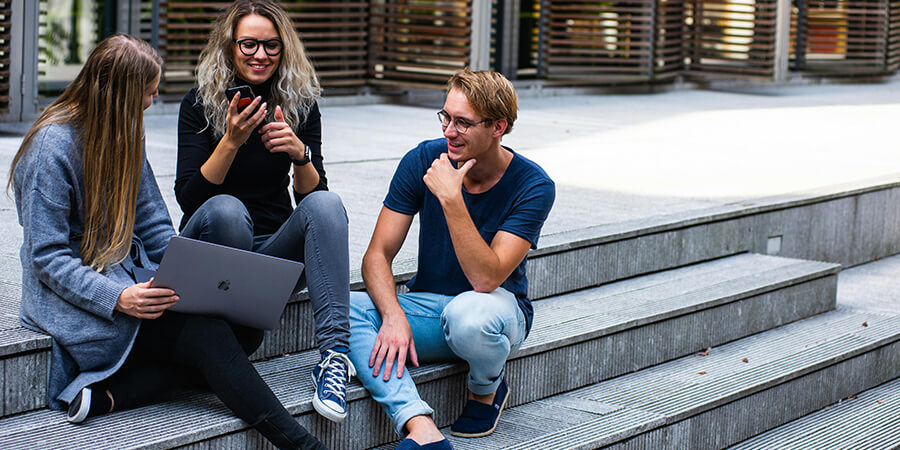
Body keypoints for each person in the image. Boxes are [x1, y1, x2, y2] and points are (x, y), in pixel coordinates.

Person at [9, 34, 325, 449]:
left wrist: (186, 276)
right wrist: (118, 297)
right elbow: (47, 258)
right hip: (77, 299)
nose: (152, 102)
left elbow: (155, 223)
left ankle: (115, 394)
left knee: (244, 331)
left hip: (130, 279)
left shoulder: (124, 132)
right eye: (148, 93)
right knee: (209, 336)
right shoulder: (51, 148)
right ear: (119, 94)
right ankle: (303, 445)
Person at [348, 68, 556, 449]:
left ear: (498, 127)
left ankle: (485, 389)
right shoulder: (425, 158)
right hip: (429, 306)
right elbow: (376, 255)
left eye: (463, 122)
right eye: (446, 117)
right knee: (346, 308)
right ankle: (419, 425)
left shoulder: (533, 185)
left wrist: (451, 198)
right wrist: (393, 317)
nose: (449, 131)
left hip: (495, 313)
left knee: (470, 315)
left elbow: (485, 280)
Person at [175, 0, 354, 424]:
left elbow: (316, 198)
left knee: (326, 205)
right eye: (249, 44)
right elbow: (189, 199)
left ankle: (333, 359)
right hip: (213, 248)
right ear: (230, 47)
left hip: (272, 257)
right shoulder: (200, 103)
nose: (260, 55)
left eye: (271, 46)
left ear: (284, 48)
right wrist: (231, 141)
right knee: (228, 211)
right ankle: (223, 338)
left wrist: (300, 154)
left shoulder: (300, 104)